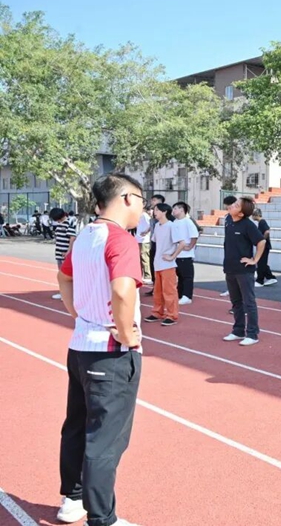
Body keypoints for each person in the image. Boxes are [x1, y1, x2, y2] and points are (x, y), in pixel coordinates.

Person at [55, 173, 145, 526]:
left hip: (80, 347)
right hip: (110, 352)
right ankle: (102, 518)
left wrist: (78, 314)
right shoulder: (121, 240)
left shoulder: (84, 237)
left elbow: (64, 277)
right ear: (127, 198)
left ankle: (73, 498)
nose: (142, 208)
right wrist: (127, 335)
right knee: (105, 438)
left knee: (77, 426)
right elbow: (123, 290)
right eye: (141, 200)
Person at [221, 197, 266, 346]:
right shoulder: (228, 220)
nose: (231, 206)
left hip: (244, 270)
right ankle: (238, 330)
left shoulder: (248, 225)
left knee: (249, 302)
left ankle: (252, 334)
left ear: (241, 213)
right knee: (235, 302)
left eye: (236, 205)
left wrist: (254, 260)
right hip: (230, 268)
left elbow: (261, 241)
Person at [144, 203, 182, 326]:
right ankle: (157, 312)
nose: (154, 212)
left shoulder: (172, 226)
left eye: (157, 210)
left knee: (169, 291)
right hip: (158, 263)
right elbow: (155, 242)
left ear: (164, 212)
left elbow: (182, 243)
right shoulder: (157, 226)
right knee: (158, 291)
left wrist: (172, 256)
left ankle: (172, 315)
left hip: (168, 265)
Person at [171, 201, 199, 305]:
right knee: (180, 276)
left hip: (186, 255)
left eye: (175, 209)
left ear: (182, 210)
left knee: (187, 276)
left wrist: (190, 246)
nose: (173, 211)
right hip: (177, 254)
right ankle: (180, 294)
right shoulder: (174, 222)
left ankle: (187, 296)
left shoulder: (188, 222)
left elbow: (194, 235)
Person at [50, 208, 77, 301]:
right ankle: (63, 292)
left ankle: (68, 295)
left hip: (65, 253)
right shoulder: (60, 224)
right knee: (61, 274)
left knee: (66, 275)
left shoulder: (68, 223)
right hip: (59, 253)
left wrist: (69, 251)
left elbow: (72, 237)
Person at [143, 194, 166, 297]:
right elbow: (153, 225)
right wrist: (147, 231)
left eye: (155, 200)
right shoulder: (153, 213)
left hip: (161, 245)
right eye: (152, 200)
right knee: (153, 265)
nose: (152, 202)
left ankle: (162, 288)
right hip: (153, 242)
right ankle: (155, 287)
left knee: (161, 267)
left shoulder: (164, 213)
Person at [252, 208, 278, 287]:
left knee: (261, 263)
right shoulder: (261, 222)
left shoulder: (262, 222)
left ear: (256, 215)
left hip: (264, 246)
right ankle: (270, 277)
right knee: (262, 263)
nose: (252, 217)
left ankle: (260, 280)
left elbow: (267, 231)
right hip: (264, 246)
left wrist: (262, 240)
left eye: (252, 215)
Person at [219, 195, 238, 298]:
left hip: (237, 248)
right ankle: (230, 289)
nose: (226, 207)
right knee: (228, 269)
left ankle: (237, 290)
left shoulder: (238, 216)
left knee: (237, 271)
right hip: (228, 246)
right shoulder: (227, 217)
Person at [135, 209, 152, 284]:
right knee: (141, 258)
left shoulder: (145, 215)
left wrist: (146, 232)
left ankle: (147, 276)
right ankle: (143, 275)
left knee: (144, 257)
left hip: (144, 240)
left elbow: (150, 225)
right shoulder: (139, 216)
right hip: (139, 239)